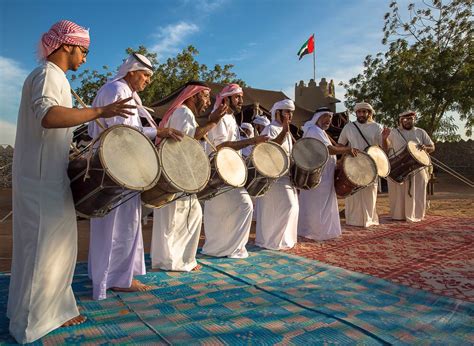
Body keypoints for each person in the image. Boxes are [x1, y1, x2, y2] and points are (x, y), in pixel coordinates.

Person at [7, 20, 135, 344]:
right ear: (67, 46)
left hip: (47, 177)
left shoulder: (53, 76)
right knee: (43, 251)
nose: (85, 59)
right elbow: (49, 116)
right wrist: (98, 111)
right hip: (41, 181)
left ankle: (49, 311)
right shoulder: (49, 74)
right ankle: (31, 324)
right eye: (84, 51)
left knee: (55, 250)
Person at [87, 54, 183, 301]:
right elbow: (121, 133)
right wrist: (158, 131)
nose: (148, 81)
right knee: (115, 225)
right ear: (131, 71)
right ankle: (110, 279)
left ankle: (120, 276)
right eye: (145, 75)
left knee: (126, 223)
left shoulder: (126, 93)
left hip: (125, 167)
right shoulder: (115, 90)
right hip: (114, 168)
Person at [151, 81, 226, 271]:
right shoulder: (183, 112)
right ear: (193, 96)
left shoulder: (186, 114)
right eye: (206, 96)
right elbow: (186, 139)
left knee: (188, 215)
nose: (208, 101)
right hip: (175, 173)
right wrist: (212, 122)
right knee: (175, 217)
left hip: (182, 173)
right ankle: (170, 261)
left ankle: (179, 259)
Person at [202, 83, 268, 258]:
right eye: (237, 97)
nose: (241, 101)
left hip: (230, 171)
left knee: (224, 211)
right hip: (219, 172)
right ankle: (228, 248)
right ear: (227, 98)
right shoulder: (220, 118)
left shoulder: (231, 119)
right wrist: (253, 141)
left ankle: (223, 248)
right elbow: (221, 146)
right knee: (242, 205)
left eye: (241, 97)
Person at [298, 108, 359, 241]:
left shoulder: (320, 131)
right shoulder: (314, 131)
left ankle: (319, 231)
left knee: (319, 203)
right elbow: (328, 150)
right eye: (325, 116)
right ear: (317, 117)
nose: (328, 120)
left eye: (330, 117)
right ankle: (317, 232)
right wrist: (347, 149)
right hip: (318, 175)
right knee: (318, 204)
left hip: (323, 174)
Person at [254, 99, 299, 250]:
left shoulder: (286, 130)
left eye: (291, 112)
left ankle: (284, 240)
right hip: (273, 177)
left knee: (292, 207)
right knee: (284, 206)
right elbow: (269, 149)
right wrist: (285, 130)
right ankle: (271, 241)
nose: (289, 115)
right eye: (286, 112)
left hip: (286, 176)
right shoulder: (270, 129)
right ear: (277, 113)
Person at [337, 102, 386, 227]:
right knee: (353, 193)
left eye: (364, 112)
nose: (361, 114)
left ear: (369, 113)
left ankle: (369, 219)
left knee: (370, 193)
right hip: (353, 163)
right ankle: (353, 220)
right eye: (359, 112)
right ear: (356, 113)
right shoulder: (349, 127)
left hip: (371, 164)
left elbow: (382, 148)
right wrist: (343, 156)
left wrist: (385, 138)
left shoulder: (377, 127)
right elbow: (341, 144)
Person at [383, 110, 435, 222]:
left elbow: (432, 147)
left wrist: (426, 148)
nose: (407, 121)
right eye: (405, 119)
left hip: (418, 167)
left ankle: (416, 215)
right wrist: (384, 138)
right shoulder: (394, 132)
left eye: (410, 119)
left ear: (414, 120)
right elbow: (386, 148)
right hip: (399, 167)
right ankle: (398, 215)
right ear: (401, 120)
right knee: (399, 192)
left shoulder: (421, 132)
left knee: (417, 190)